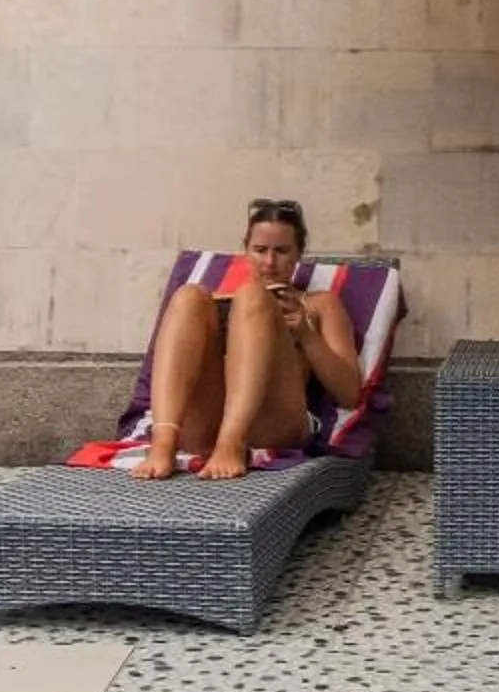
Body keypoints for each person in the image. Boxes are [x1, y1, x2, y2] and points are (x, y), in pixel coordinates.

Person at [137, 198, 362, 481]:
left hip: (275, 423)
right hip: (207, 424)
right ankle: (163, 443)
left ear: (298, 254)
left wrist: (306, 336)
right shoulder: (213, 302)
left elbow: (350, 394)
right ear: (246, 250)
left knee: (253, 296)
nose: (269, 262)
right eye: (260, 250)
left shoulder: (319, 304)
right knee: (188, 296)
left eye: (281, 251)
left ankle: (231, 443)